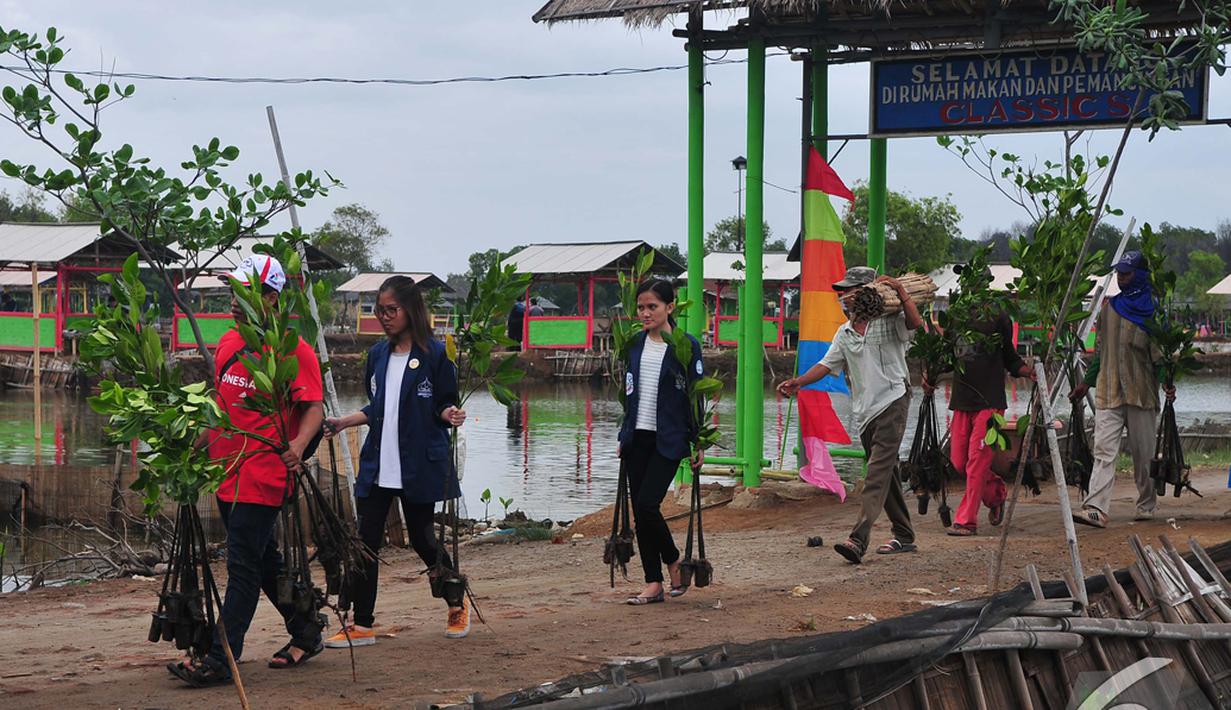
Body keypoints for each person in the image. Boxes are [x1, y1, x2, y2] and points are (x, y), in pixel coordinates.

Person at [170, 254, 326, 687]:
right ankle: (307, 630)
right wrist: (193, 447)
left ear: (272, 298)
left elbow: (313, 407)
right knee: (262, 563)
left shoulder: (295, 350)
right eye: (233, 291)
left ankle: (221, 659)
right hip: (226, 472)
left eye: (246, 292)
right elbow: (222, 408)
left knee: (241, 569)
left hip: (264, 474)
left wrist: (296, 446)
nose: (234, 300)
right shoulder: (229, 343)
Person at [322, 275, 470, 645]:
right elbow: (379, 407)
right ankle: (362, 623)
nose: (385, 317)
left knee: (422, 539)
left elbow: (443, 403)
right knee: (365, 541)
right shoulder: (377, 356)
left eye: (392, 310)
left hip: (417, 461)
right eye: (379, 310)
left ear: (410, 310)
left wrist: (449, 414)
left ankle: (455, 602)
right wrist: (343, 422)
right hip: (378, 463)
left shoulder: (435, 355)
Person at [778, 267, 923, 564]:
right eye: (842, 294)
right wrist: (799, 382)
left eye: (849, 292)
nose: (843, 298)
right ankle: (905, 535)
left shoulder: (890, 321)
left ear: (866, 292)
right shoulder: (843, 333)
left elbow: (916, 324)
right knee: (887, 472)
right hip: (866, 410)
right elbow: (826, 364)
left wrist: (901, 292)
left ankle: (858, 539)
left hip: (894, 400)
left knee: (876, 474)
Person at [922, 272, 1034, 537]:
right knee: (960, 462)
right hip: (963, 400)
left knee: (976, 462)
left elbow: (1009, 355)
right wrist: (932, 375)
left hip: (989, 401)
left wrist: (1026, 370)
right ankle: (995, 493)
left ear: (986, 287)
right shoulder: (956, 315)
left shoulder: (999, 316)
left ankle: (966, 521)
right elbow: (950, 355)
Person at [1070, 251, 1175, 528]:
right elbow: (1101, 352)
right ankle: (1096, 508)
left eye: (1127, 273)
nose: (1121, 278)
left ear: (1139, 275)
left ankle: (1146, 504)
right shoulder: (1109, 308)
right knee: (1104, 451)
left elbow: (1160, 356)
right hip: (1108, 390)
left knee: (1144, 454)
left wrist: (1167, 382)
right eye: (1119, 273)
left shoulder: (1153, 312)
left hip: (1141, 393)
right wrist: (1085, 384)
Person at [618, 279, 703, 605]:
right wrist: (623, 435)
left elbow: (695, 397)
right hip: (636, 437)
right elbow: (629, 394)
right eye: (641, 307)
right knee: (641, 514)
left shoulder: (685, 345)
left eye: (652, 306)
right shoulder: (634, 345)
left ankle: (673, 561)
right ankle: (653, 582)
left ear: (670, 307)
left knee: (646, 504)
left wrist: (698, 443)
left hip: (668, 437)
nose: (645, 313)